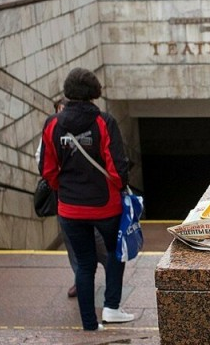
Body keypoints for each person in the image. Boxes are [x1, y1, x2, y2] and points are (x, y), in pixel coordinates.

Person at [39, 68, 134, 331]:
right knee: (116, 253)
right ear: (94, 91)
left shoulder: (52, 124)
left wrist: (65, 189)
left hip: (69, 208)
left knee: (84, 264)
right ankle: (112, 308)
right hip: (105, 206)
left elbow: (47, 170)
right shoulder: (104, 122)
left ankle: (89, 324)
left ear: (68, 92)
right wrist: (118, 187)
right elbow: (117, 168)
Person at [35, 97, 107, 300]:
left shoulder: (93, 126)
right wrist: (61, 185)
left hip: (91, 198)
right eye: (60, 109)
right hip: (66, 199)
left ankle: (110, 275)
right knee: (72, 242)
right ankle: (81, 280)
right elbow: (43, 163)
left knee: (99, 240)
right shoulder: (51, 129)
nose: (64, 113)